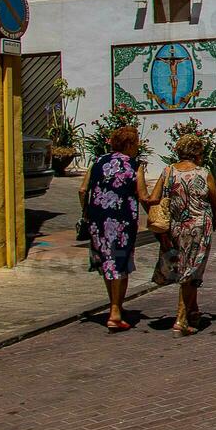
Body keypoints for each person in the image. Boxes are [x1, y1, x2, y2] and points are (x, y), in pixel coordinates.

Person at [148, 133, 216, 337]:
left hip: (176, 227)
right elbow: (215, 200)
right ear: (197, 153)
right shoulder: (203, 173)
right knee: (192, 270)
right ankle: (181, 320)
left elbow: (152, 199)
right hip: (199, 227)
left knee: (188, 267)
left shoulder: (168, 171)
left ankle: (193, 310)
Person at [79, 127, 149, 333]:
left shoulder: (98, 162)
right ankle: (115, 313)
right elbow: (143, 195)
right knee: (120, 262)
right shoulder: (134, 165)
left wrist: (86, 213)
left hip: (97, 220)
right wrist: (157, 210)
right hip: (122, 221)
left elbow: (83, 189)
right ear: (129, 144)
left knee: (107, 261)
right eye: (136, 143)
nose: (137, 147)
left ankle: (114, 306)